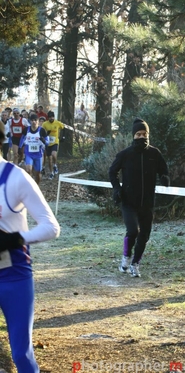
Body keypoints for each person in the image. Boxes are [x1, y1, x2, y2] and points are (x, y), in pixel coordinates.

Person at [0, 120, 60, 373]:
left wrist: (15, 239)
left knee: (21, 355)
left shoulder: (15, 178)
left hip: (13, 276)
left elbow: (51, 226)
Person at [109, 117, 170, 278]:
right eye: (138, 134)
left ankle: (135, 264)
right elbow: (112, 172)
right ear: (133, 136)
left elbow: (164, 169)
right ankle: (126, 258)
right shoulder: (125, 155)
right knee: (133, 231)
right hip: (129, 202)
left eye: (144, 134)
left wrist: (164, 177)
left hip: (147, 203)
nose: (141, 137)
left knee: (145, 235)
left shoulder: (154, 153)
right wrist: (117, 189)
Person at [19, 114, 49, 185]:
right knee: (28, 170)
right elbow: (22, 139)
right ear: (30, 121)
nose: (34, 122)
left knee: (37, 173)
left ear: (38, 121)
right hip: (29, 154)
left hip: (38, 155)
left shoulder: (42, 130)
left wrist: (44, 141)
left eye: (35, 120)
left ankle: (36, 186)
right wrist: (20, 148)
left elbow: (48, 143)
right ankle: (30, 186)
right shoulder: (26, 130)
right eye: (32, 120)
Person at [42, 111, 65, 180]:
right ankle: (51, 173)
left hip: (55, 142)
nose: (51, 118)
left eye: (52, 117)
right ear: (48, 118)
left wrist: (63, 137)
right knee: (49, 159)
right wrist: (47, 134)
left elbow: (63, 128)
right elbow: (42, 133)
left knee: (54, 154)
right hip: (48, 143)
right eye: (50, 117)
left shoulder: (57, 123)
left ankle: (55, 165)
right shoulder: (45, 124)